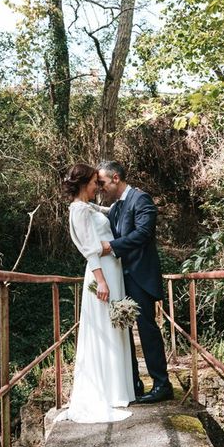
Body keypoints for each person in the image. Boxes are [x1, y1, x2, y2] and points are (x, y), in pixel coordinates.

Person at [56, 163, 135, 424]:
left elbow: (112, 209)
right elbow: (90, 249)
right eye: (93, 183)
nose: (97, 187)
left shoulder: (88, 207)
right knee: (104, 327)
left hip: (112, 269)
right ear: (82, 184)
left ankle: (116, 390)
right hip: (101, 274)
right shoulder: (78, 210)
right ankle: (107, 392)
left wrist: (127, 192)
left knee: (114, 328)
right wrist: (101, 282)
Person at [96, 161, 173, 404]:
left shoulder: (141, 200)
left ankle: (162, 384)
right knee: (123, 330)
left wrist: (111, 247)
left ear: (115, 178)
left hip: (140, 276)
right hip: (122, 277)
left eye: (102, 183)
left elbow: (142, 234)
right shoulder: (117, 207)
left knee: (147, 330)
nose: (100, 188)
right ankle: (133, 382)